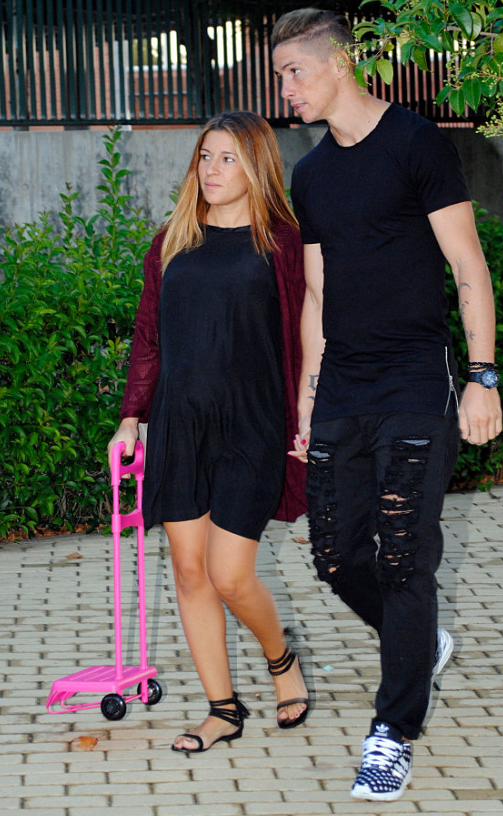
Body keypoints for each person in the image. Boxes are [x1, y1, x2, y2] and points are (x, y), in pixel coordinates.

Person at [272, 9, 502, 802]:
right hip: (343, 385)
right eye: (281, 76)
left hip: (413, 379)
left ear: (338, 64)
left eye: (294, 72)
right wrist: (308, 400)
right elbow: (317, 294)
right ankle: (419, 642)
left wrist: (483, 376)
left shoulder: (415, 143)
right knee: (335, 554)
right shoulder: (311, 175)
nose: (286, 90)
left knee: (403, 553)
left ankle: (393, 729)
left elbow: (467, 264)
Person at [108, 111, 310, 754]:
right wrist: (131, 418)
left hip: (254, 424)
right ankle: (222, 710)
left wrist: (310, 416)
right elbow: (148, 337)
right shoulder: (173, 241)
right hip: (180, 423)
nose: (212, 170)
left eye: (228, 158)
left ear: (257, 167)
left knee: (230, 574)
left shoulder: (284, 244)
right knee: (190, 572)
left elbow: (311, 336)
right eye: (205, 156)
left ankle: (281, 658)